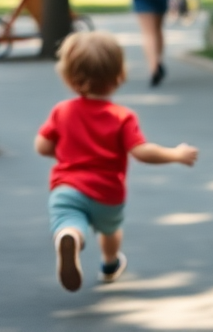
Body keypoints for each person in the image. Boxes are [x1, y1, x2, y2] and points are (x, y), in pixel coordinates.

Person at [35, 31, 199, 292]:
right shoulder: (122, 117)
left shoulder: (62, 111)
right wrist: (175, 154)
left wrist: (65, 151)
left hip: (66, 188)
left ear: (68, 76)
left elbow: (42, 147)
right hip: (107, 193)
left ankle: (70, 237)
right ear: (119, 75)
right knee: (110, 230)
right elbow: (141, 151)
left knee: (68, 221)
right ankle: (110, 264)